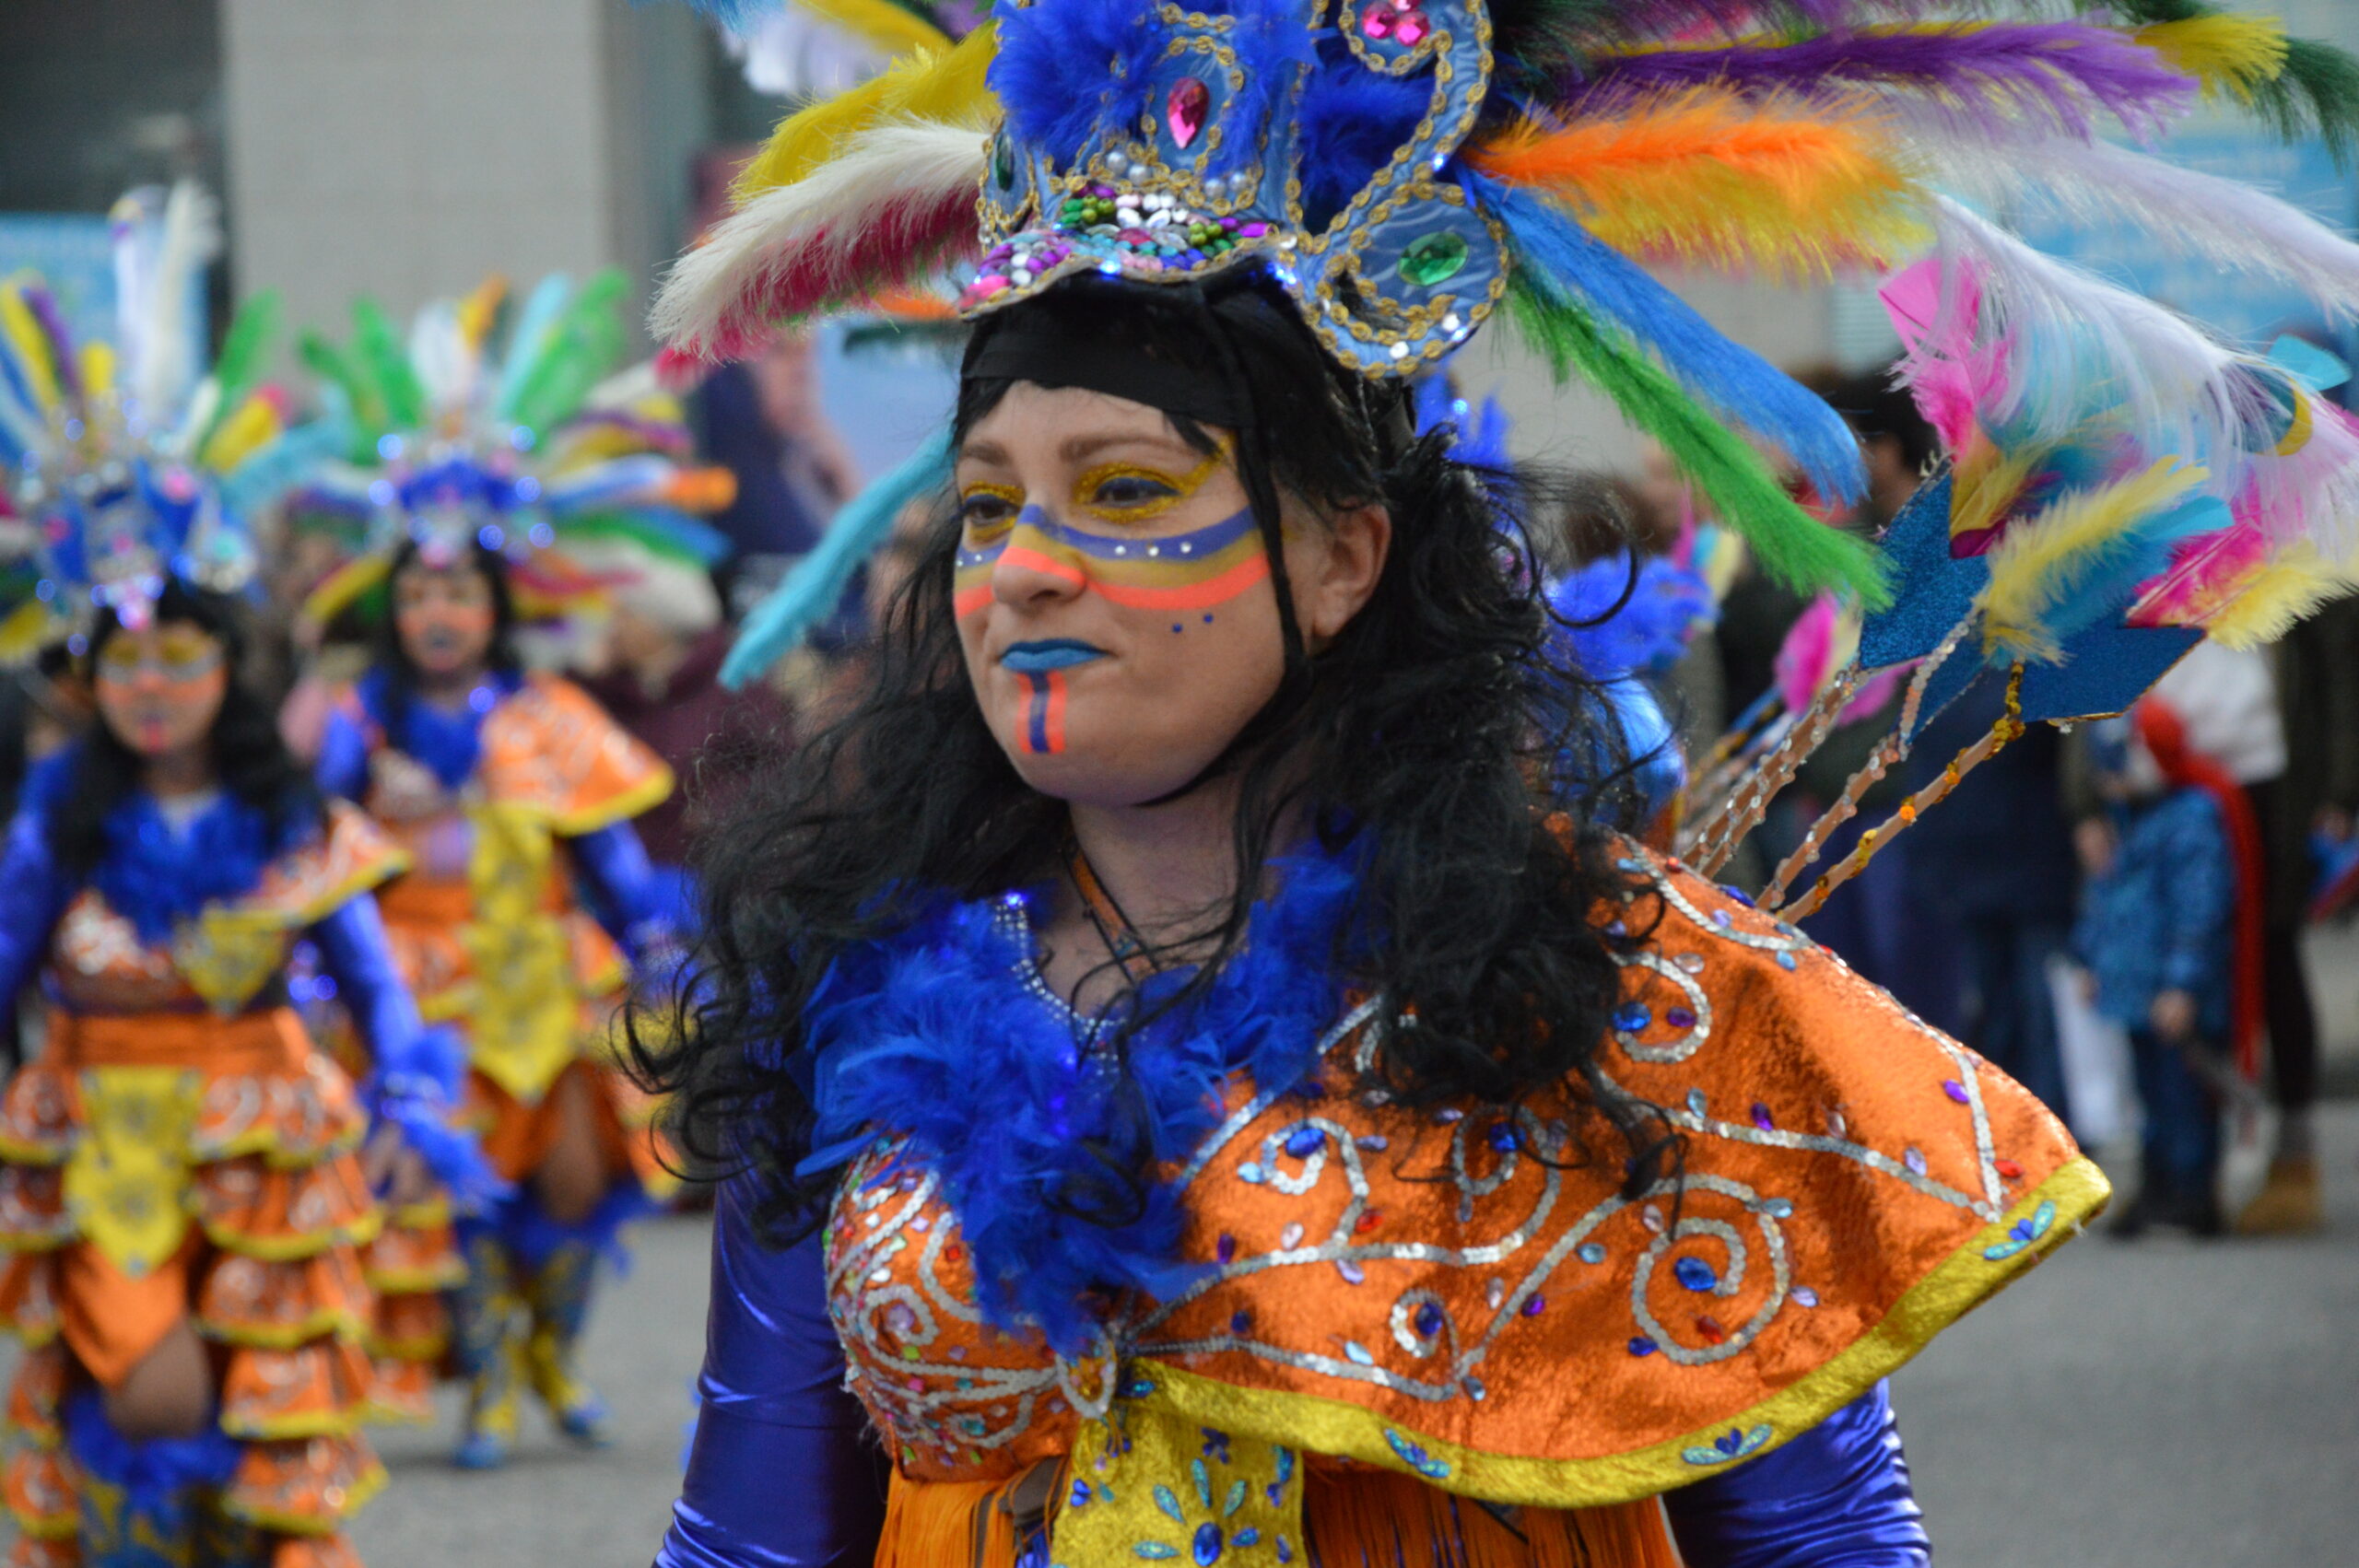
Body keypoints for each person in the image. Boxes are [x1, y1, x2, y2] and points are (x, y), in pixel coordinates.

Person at [637, 0, 2359, 1561]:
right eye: (995, 502)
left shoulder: (1618, 989)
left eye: (1129, 493)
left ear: (1341, 557)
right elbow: (747, 1541)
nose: (1022, 567)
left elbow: (1827, 1545)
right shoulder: (850, 979)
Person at [314, 534, 679, 1470]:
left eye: (460, 593)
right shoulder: (360, 722)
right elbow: (316, 856)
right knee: (458, 1198)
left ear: (495, 609)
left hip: (546, 986)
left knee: (575, 1180)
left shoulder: (548, 712)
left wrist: (653, 939)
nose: (438, 614)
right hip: (423, 1002)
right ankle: (484, 1383)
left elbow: (605, 849)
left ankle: (552, 1358)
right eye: (420, 594)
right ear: (393, 611)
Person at [2074, 700, 2259, 1239]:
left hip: (2172, 997)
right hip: (2132, 991)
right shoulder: (2123, 821)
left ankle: (2192, 1190)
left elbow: (2199, 912)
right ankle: (2157, 1186)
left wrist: (2182, 985)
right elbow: (2105, 898)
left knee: (2185, 1096)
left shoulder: (2191, 819)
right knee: (2147, 1096)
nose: (2106, 787)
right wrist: (2089, 958)